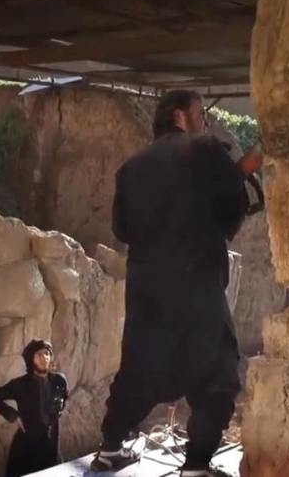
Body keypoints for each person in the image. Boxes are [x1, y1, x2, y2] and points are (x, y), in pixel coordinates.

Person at [90, 90, 263, 476]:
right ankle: (196, 465)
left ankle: (110, 448)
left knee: (139, 370)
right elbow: (227, 203)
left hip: (146, 289)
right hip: (197, 284)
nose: (205, 121)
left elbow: (123, 229)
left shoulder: (131, 168)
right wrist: (250, 164)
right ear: (180, 116)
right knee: (217, 373)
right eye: (201, 113)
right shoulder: (204, 149)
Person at [0, 339, 69, 477]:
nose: (44, 358)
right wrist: (13, 415)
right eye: (39, 355)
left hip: (50, 445)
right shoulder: (20, 384)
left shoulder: (59, 381)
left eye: (47, 353)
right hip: (26, 448)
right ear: (31, 359)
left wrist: (57, 410)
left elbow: (64, 397)